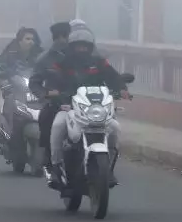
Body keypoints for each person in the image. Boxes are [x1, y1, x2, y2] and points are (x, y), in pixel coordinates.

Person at [36, 28, 129, 189]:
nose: (82, 50)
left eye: (85, 46)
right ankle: (56, 166)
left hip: (96, 108)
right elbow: (52, 79)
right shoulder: (61, 64)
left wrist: (121, 88)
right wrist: (53, 92)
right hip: (69, 107)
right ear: (72, 47)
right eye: (78, 46)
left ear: (90, 47)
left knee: (114, 127)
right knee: (58, 125)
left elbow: (113, 77)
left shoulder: (99, 62)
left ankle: (108, 170)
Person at [31, 21, 72, 168]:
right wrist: (46, 94)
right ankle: (49, 156)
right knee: (45, 117)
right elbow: (34, 83)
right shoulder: (44, 59)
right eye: (61, 37)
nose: (63, 41)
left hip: (79, 101)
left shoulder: (80, 56)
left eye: (66, 37)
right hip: (56, 102)